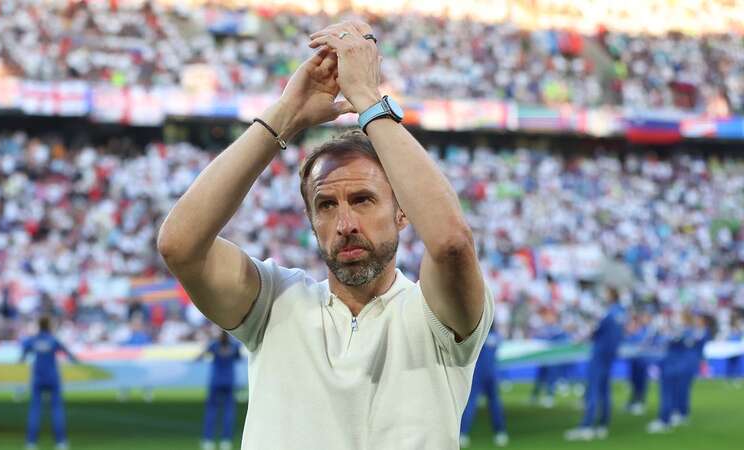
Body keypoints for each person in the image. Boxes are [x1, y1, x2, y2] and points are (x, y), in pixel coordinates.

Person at [157, 20, 494, 449]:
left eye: (364, 200)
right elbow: (179, 245)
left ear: (404, 212)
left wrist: (370, 101)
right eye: (326, 205)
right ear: (311, 220)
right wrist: (284, 115)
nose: (345, 223)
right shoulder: (275, 303)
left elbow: (451, 242)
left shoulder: (435, 314)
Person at [564, 287, 625, 441]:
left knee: (593, 390)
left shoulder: (609, 312)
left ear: (612, 294)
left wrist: (580, 338)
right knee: (604, 390)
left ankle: (587, 426)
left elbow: (594, 330)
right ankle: (603, 424)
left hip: (599, 354)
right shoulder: (620, 312)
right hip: (609, 355)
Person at [19, 316, 79, 450]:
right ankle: (61, 442)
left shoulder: (33, 340)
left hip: (38, 378)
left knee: (35, 410)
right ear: (50, 326)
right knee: (57, 410)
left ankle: (31, 443)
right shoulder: (53, 340)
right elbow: (70, 356)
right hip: (53, 377)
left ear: (39, 325)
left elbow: (22, 357)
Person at [460, 326, 509, 448]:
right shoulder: (496, 336)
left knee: (471, 403)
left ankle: (463, 433)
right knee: (495, 403)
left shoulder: (477, 334)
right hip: (492, 373)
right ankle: (500, 432)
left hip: (477, 372)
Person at [196, 331, 243, 450]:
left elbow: (200, 356)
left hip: (216, 381)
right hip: (229, 381)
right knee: (228, 412)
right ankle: (226, 441)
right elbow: (239, 358)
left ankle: (208, 441)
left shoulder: (214, 345)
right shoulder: (234, 346)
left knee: (211, 411)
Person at [625, 311, 654, 415]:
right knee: (633, 382)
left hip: (642, 360)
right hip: (634, 360)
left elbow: (644, 343)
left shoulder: (649, 330)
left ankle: (641, 403)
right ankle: (633, 402)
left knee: (641, 382)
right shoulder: (639, 329)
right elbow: (629, 341)